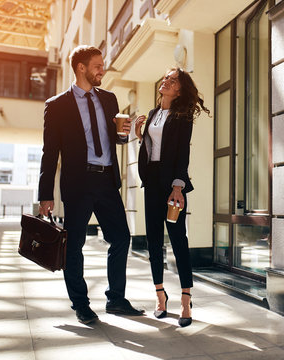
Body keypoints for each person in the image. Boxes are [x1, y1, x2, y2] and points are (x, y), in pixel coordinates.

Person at [38, 45, 144, 324]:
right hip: (78, 182)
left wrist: (123, 135)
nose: (102, 70)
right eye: (97, 65)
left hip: (107, 180)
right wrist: (45, 194)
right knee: (74, 245)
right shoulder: (57, 105)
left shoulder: (109, 99)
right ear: (81, 67)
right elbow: (49, 153)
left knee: (121, 237)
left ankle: (116, 299)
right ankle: (81, 304)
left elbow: (115, 139)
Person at [134, 68, 209, 327]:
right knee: (154, 241)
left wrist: (178, 186)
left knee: (178, 240)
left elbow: (181, 154)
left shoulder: (182, 116)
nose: (165, 80)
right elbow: (153, 149)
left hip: (171, 186)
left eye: (172, 79)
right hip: (151, 183)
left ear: (179, 89)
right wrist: (139, 134)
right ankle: (160, 296)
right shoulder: (153, 114)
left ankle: (186, 300)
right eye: (165, 77)